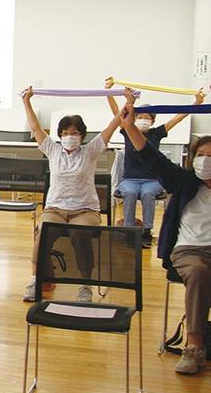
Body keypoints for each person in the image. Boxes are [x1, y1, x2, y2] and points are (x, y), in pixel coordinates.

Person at [119, 104, 211, 374]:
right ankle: (194, 346)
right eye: (201, 155)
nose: (205, 160)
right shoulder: (184, 181)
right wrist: (129, 126)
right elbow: (152, 157)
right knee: (199, 272)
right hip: (189, 252)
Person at [21, 86, 132, 303]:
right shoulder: (52, 150)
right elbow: (35, 127)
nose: (69, 137)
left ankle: (85, 285)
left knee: (80, 233)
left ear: (82, 136)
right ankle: (38, 280)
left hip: (85, 210)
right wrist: (27, 101)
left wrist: (129, 103)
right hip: (55, 209)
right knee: (42, 230)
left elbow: (114, 124)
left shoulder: (90, 151)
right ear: (59, 135)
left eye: (74, 133)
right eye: (65, 133)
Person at [106, 90, 204, 247]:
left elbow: (177, 118)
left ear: (152, 121)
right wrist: (109, 93)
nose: (143, 120)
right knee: (130, 193)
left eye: (147, 118)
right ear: (134, 118)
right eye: (140, 117)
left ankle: (147, 231)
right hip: (130, 180)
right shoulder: (128, 130)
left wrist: (196, 103)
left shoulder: (157, 133)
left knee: (148, 193)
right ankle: (129, 231)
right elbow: (116, 112)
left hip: (152, 180)